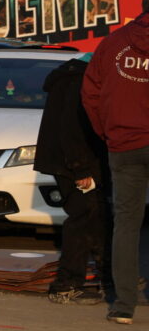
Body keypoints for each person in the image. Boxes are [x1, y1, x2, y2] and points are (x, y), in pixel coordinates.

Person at [82, 0, 149, 325]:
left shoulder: (114, 43)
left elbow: (90, 91)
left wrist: (107, 130)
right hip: (127, 141)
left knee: (126, 224)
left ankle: (123, 305)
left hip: (124, 145)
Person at [34, 53, 108, 305]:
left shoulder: (70, 76)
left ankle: (106, 275)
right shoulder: (80, 81)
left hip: (67, 160)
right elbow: (73, 128)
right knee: (84, 218)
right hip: (75, 162)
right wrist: (81, 169)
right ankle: (66, 283)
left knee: (94, 216)